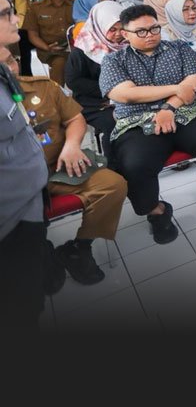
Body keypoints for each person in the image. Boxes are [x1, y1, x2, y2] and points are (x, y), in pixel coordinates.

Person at [100, 4, 196, 244]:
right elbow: (126, 94)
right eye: (141, 31)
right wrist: (176, 88)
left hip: (187, 111)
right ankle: (157, 211)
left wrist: (168, 107)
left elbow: (195, 79)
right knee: (134, 165)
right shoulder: (113, 60)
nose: (150, 35)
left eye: (154, 28)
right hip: (138, 121)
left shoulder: (179, 48)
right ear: (125, 33)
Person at [1, 46, 127, 285]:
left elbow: (74, 118)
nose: (10, 71)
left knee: (113, 184)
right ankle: (40, 252)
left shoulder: (43, 87)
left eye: (11, 62)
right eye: (2, 67)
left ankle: (79, 247)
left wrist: (72, 145)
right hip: (13, 183)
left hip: (57, 165)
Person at [0, 0, 50, 333]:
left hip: (28, 202)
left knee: (29, 300)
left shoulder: (4, 69)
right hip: (8, 218)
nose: (14, 18)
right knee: (19, 310)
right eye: (5, 13)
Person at [65, 1, 126, 156]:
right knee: (116, 124)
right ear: (99, 27)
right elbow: (74, 81)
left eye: (122, 29)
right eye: (112, 29)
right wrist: (111, 91)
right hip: (95, 102)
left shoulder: (129, 44)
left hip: (128, 96)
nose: (119, 34)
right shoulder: (83, 49)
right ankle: (116, 167)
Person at [24, 0, 74, 84]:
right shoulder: (36, 8)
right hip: (52, 51)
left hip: (77, 49)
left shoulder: (77, 3)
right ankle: (56, 96)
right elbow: (33, 35)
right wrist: (47, 47)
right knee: (60, 63)